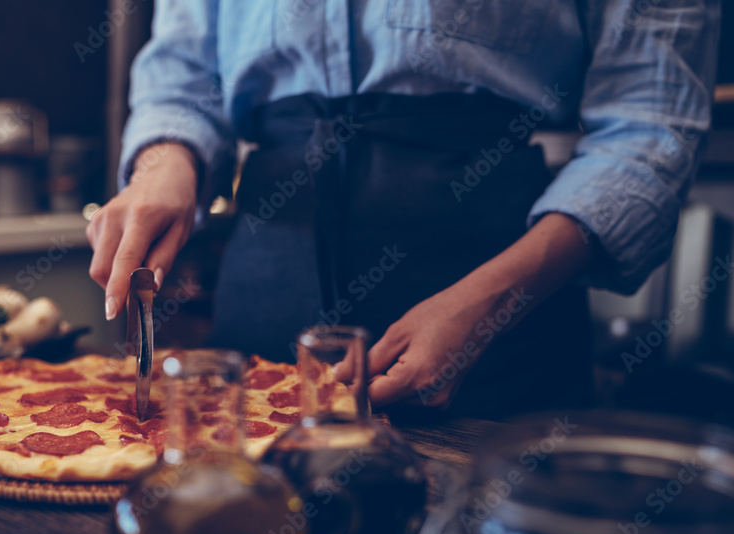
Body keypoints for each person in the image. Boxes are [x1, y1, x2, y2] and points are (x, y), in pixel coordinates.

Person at [86, 1, 720, 419]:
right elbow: (185, 74)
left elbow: (649, 125)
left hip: (497, 321)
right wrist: (164, 162)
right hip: (262, 301)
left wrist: (493, 301)